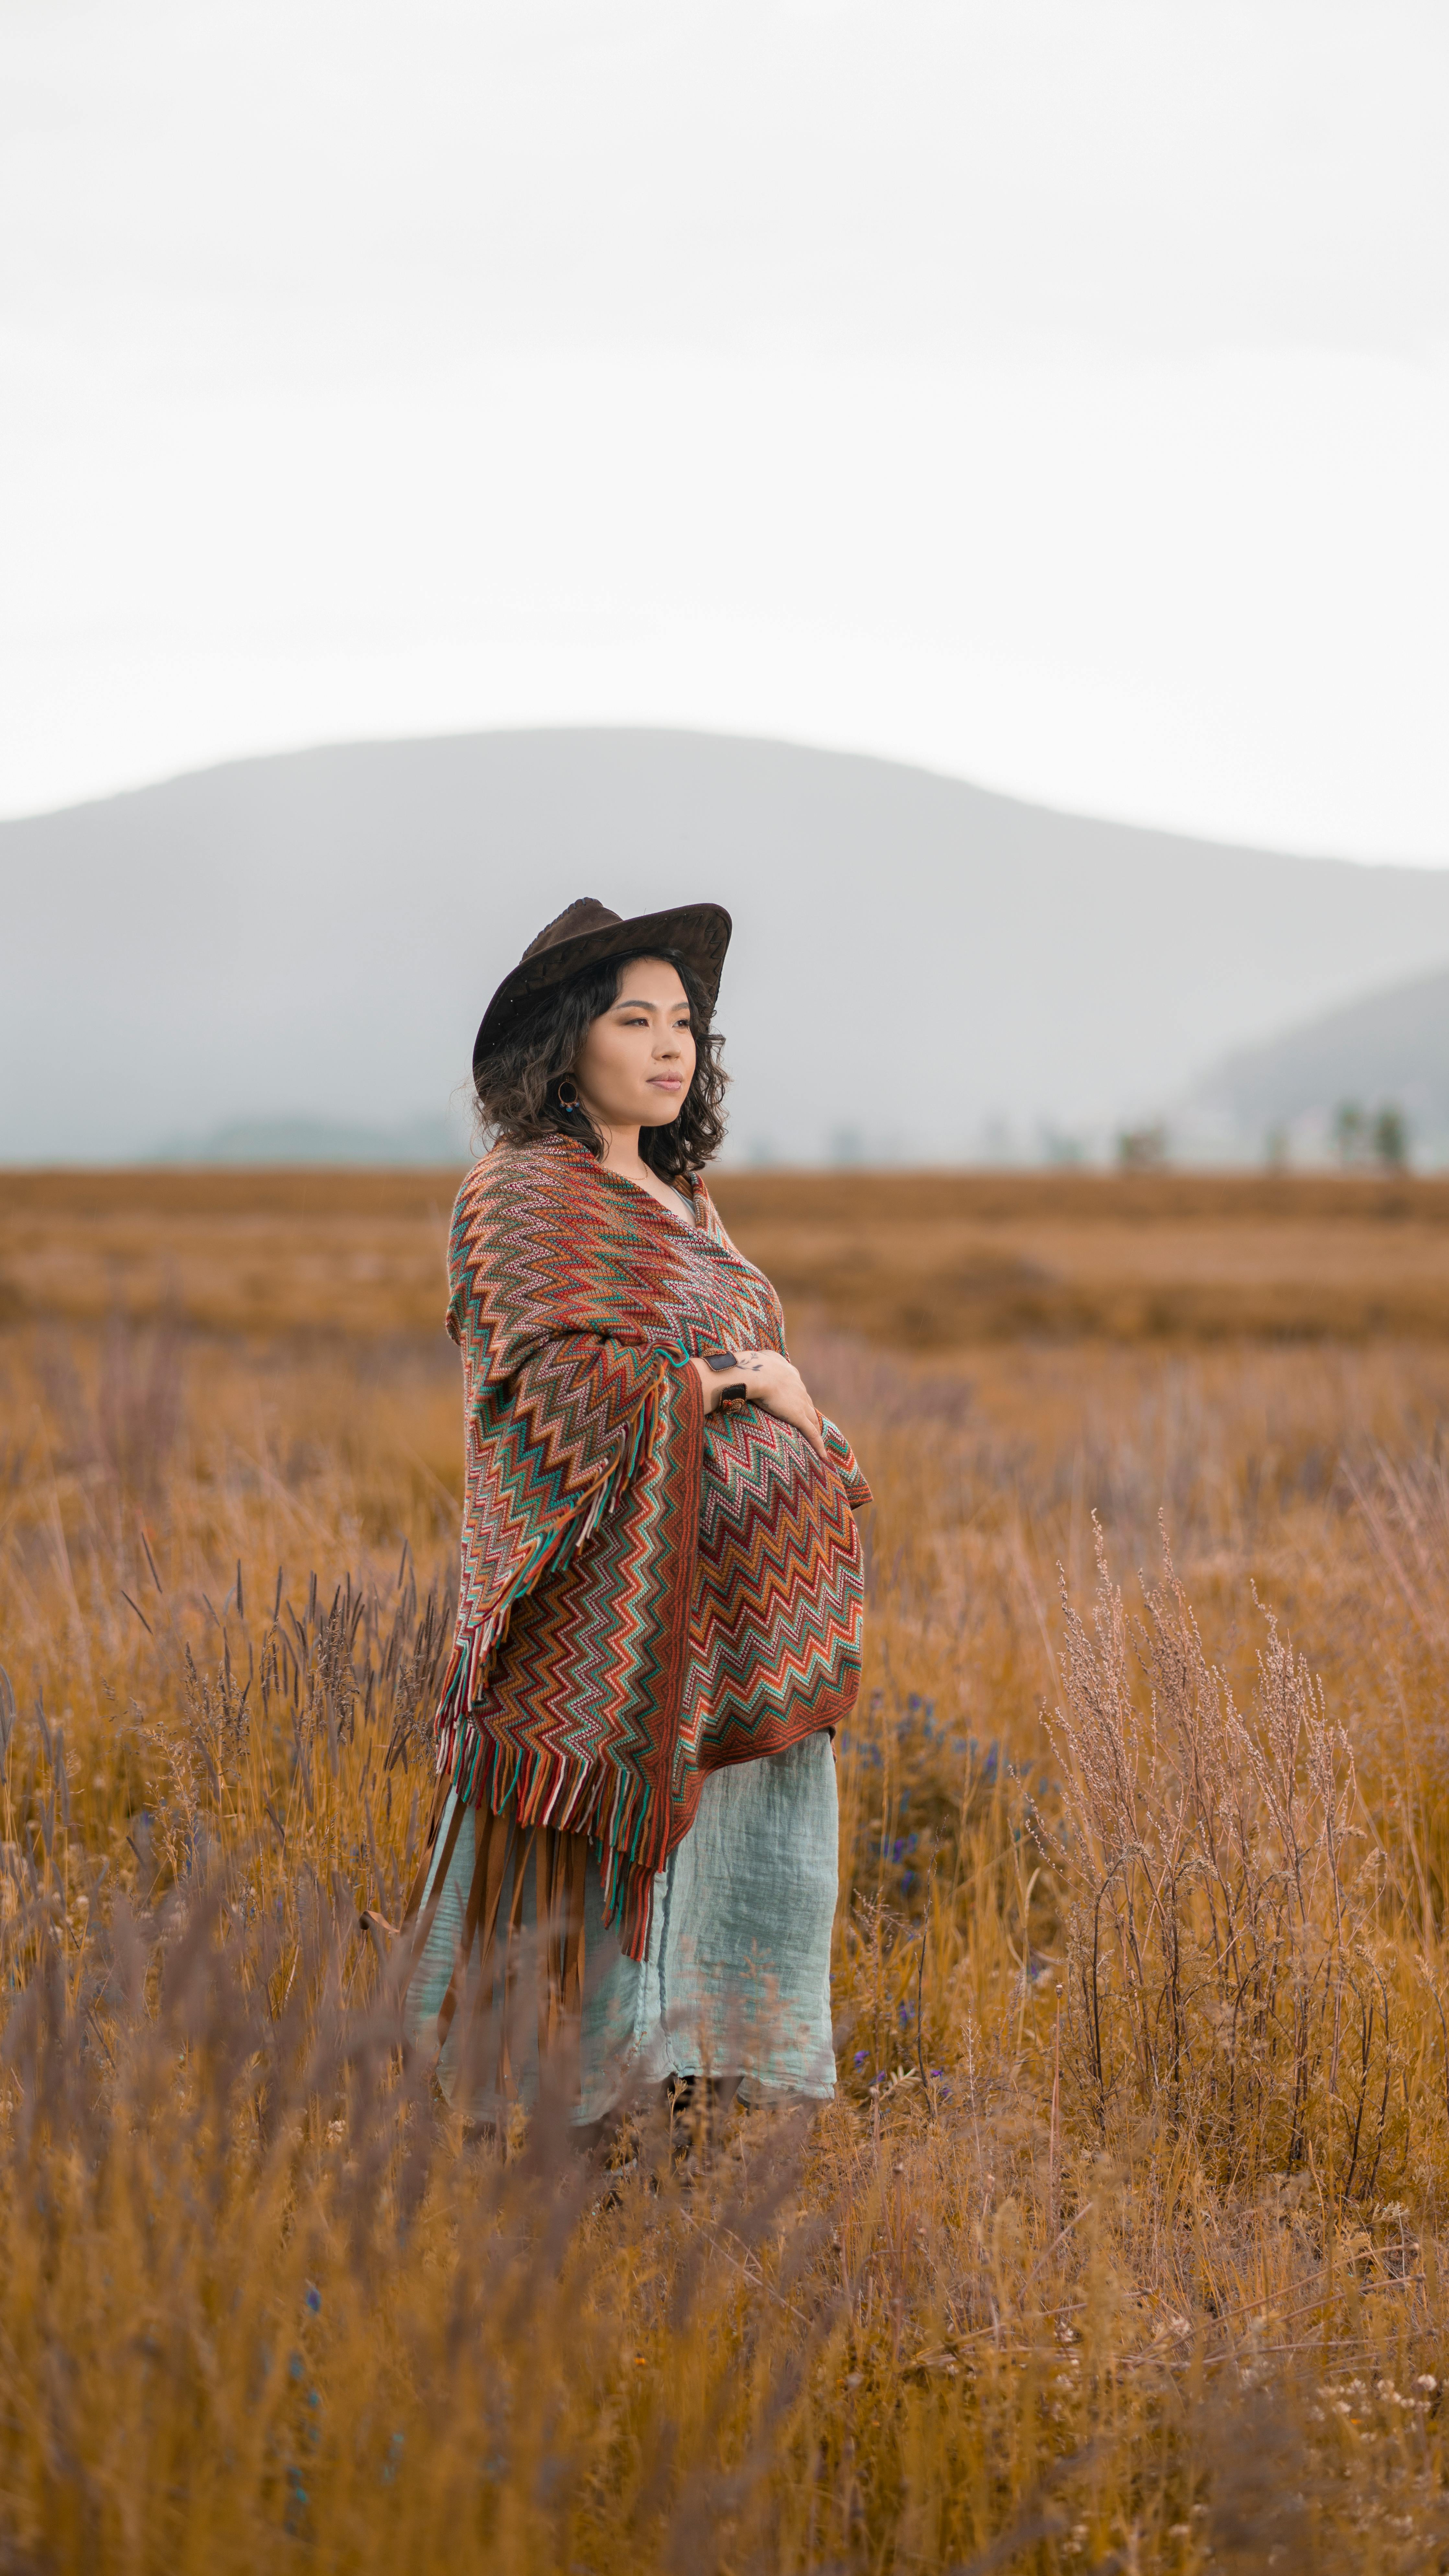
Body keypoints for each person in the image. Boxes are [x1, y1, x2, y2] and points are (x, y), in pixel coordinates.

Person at [402, 897, 870, 2138]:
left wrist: (794, 1406)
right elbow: (548, 1387)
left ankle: (705, 2087)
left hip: (731, 1636)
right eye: (634, 1020)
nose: (670, 1047)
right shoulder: (517, 1193)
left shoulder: (683, 1198)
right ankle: (553, 2111)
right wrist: (728, 1388)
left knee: (728, 1866)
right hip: (603, 1641)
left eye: (685, 1024)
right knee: (578, 1879)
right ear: (568, 1045)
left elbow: (754, 1352)